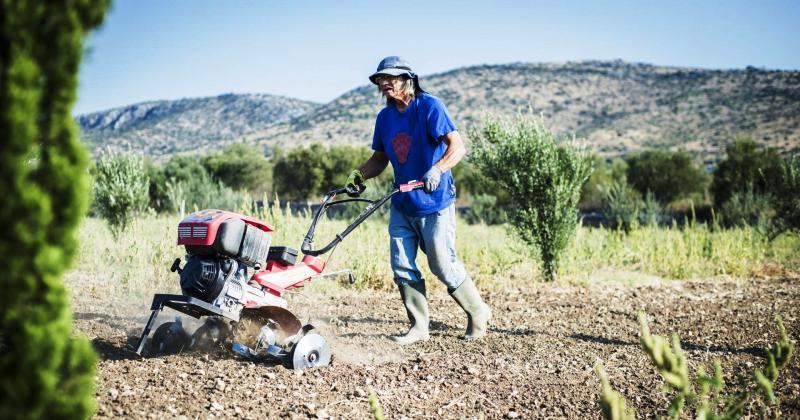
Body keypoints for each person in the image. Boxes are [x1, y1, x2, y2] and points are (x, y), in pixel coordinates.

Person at [346, 56, 491, 344]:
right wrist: (359, 174)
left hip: (435, 202)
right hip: (402, 203)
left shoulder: (430, 106)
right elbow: (380, 158)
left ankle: (478, 311)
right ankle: (419, 327)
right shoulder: (384, 118)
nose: (384, 83)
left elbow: (458, 147)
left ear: (407, 79)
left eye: (390, 77)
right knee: (401, 264)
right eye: (380, 79)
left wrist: (437, 169)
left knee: (441, 264)